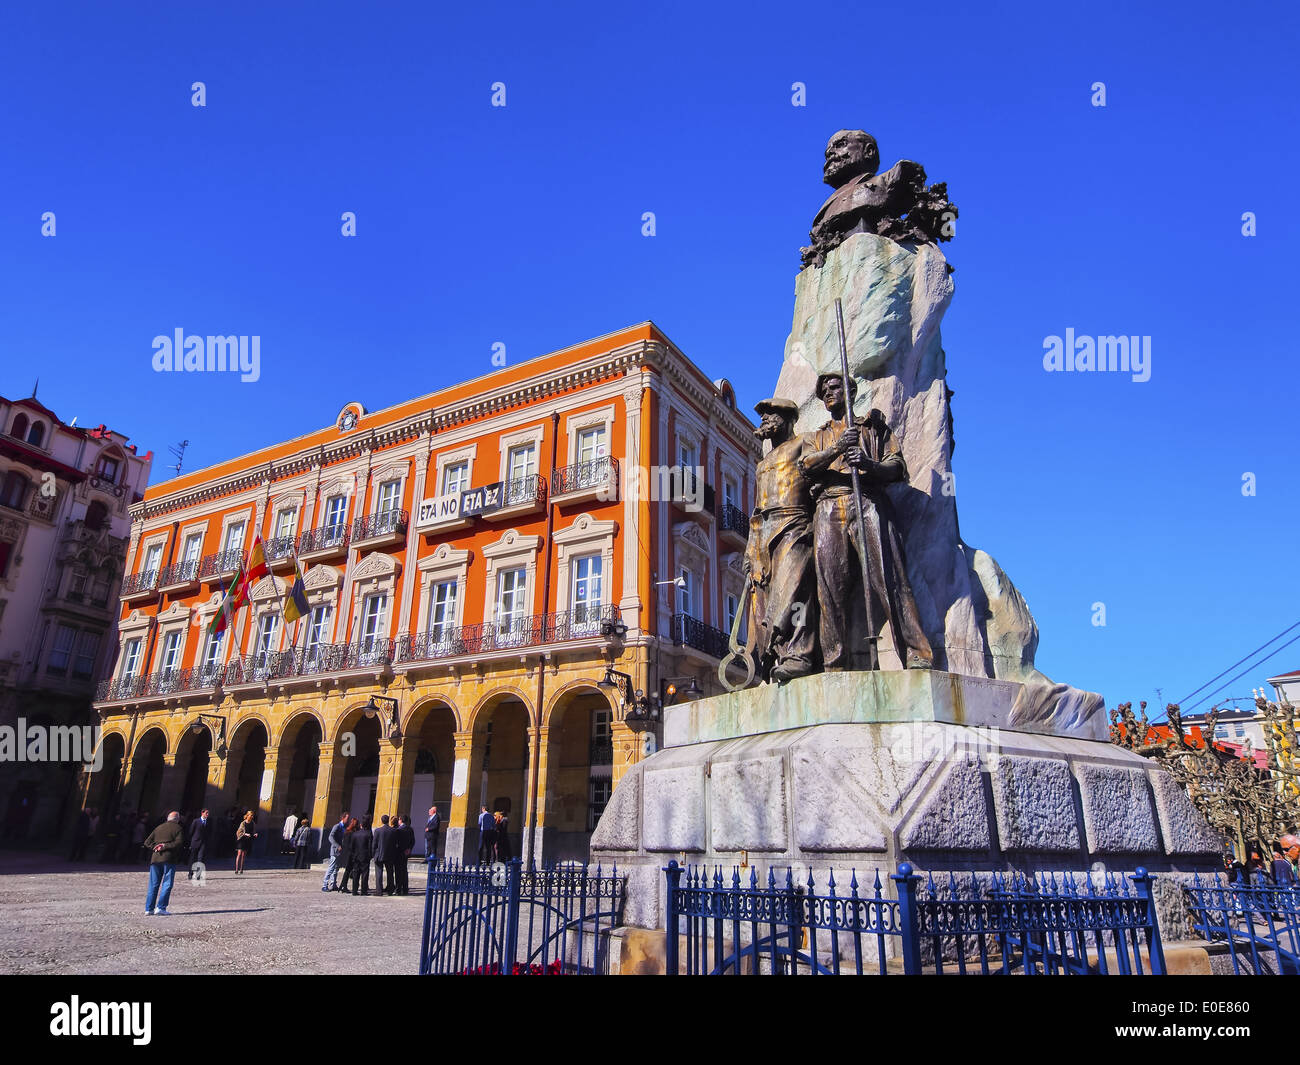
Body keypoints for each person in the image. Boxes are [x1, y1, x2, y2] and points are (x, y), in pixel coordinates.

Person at [799, 373, 934, 672]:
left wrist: (869, 464)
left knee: (890, 579)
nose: (828, 394)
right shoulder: (816, 437)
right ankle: (835, 664)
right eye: (824, 391)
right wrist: (837, 450)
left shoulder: (873, 428)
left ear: (851, 390)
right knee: (828, 589)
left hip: (868, 500)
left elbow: (898, 468)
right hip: (829, 506)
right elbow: (806, 466)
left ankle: (916, 653)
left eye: (834, 388)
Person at [745, 397, 818, 682]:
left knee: (795, 590)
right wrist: (751, 547)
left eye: (770, 414)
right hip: (764, 529)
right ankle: (779, 653)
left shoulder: (804, 443)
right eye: (763, 415)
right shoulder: (763, 463)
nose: (764, 419)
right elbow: (757, 508)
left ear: (788, 418)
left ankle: (801, 654)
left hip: (795, 522)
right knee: (767, 597)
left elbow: (818, 474)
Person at [142, 811, 185, 915]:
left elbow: (147, 842)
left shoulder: (159, 827)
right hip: (169, 859)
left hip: (155, 858)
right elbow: (179, 843)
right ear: (177, 819)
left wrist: (156, 847)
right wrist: (165, 846)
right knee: (167, 883)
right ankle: (161, 907)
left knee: (153, 884)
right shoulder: (178, 828)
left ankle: (149, 909)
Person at [323, 811, 350, 892]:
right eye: (347, 818)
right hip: (335, 850)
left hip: (341, 851)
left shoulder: (345, 827)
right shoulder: (337, 826)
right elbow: (330, 837)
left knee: (336, 869)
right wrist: (337, 846)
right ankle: (324, 885)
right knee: (331, 868)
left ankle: (333, 884)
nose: (348, 820)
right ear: (343, 818)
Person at [348, 815, 374, 896]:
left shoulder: (355, 834)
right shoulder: (369, 834)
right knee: (365, 874)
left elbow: (351, 847)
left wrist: (353, 855)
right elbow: (370, 847)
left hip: (356, 857)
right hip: (365, 857)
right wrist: (370, 856)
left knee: (356, 874)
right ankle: (363, 891)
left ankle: (354, 891)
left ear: (361, 825)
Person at [372, 814, 395, 896]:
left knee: (379, 873)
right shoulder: (392, 831)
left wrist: (374, 854)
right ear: (388, 821)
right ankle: (390, 890)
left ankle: (379, 891)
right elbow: (394, 843)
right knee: (390, 873)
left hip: (379, 854)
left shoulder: (377, 831)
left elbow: (374, 844)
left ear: (382, 821)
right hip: (389, 855)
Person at [392, 815, 414, 896]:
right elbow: (413, 841)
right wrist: (409, 849)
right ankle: (405, 889)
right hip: (406, 853)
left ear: (400, 820)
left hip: (399, 853)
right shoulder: (410, 829)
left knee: (398, 872)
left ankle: (398, 889)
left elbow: (396, 842)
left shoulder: (398, 830)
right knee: (404, 871)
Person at [188, 808, 211, 879]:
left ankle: (198, 874)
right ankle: (190, 873)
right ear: (202, 813)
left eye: (208, 813)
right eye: (206, 813)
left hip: (203, 843)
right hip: (195, 842)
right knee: (192, 858)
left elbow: (210, 832)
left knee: (200, 858)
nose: (207, 814)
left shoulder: (209, 822)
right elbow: (191, 831)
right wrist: (191, 841)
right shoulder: (196, 821)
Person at [338, 818, 359, 894]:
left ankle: (342, 886)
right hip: (350, 854)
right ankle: (343, 886)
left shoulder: (347, 831)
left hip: (345, 854)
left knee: (347, 870)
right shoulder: (353, 834)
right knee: (349, 870)